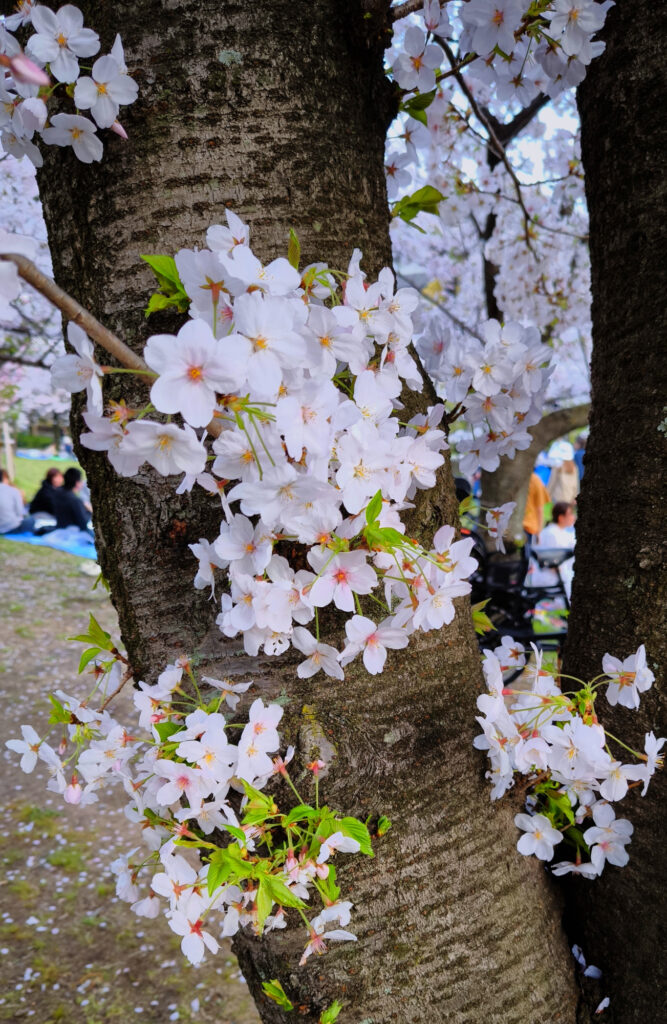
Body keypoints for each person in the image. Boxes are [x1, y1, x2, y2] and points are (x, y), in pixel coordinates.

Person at [530, 501, 576, 599]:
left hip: (559, 574)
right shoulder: (552, 534)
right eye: (570, 514)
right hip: (551, 577)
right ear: (561, 518)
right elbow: (551, 561)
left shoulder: (562, 533)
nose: (573, 517)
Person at [52, 467, 92, 534]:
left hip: (59, 527)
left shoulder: (57, 492)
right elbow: (83, 523)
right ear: (77, 483)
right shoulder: (75, 500)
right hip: (72, 532)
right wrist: (89, 511)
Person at [0, 469, 35, 534]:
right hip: (10, 527)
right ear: (5, 478)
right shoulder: (14, 491)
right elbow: (20, 512)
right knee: (31, 520)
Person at [523, 471, 550, 552]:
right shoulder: (534, 479)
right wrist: (539, 532)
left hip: (516, 525)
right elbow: (540, 508)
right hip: (528, 525)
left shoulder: (511, 478)